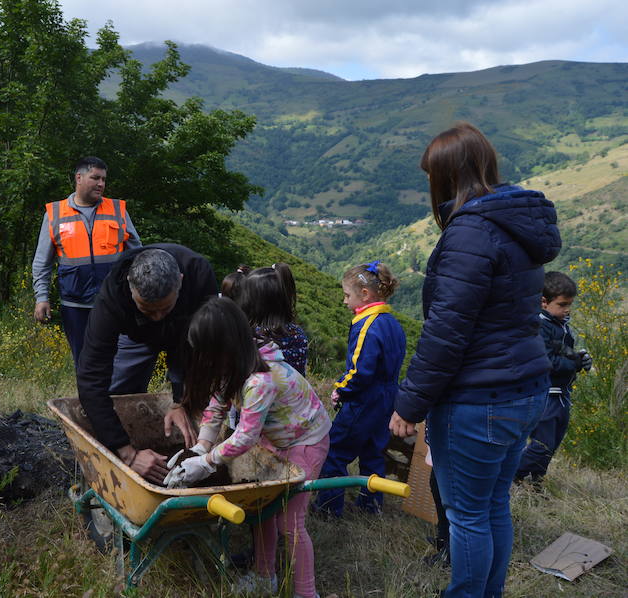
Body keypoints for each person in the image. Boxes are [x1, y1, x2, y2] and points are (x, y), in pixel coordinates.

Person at [389, 122, 560, 598]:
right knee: (492, 507)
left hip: (479, 397)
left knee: (466, 514)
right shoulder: (514, 224)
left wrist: (410, 404)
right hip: (525, 387)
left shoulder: (471, 232)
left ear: (447, 176)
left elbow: (447, 332)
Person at [170, 297, 331, 598]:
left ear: (223, 346)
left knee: (289, 521)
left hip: (305, 440)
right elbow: (216, 408)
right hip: (275, 439)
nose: (202, 359)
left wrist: (206, 462)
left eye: (206, 352)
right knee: (261, 510)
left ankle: (306, 593)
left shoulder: (260, 380)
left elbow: (244, 437)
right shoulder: (231, 365)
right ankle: (264, 577)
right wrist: (200, 446)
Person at [77, 244, 218, 484]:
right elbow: (91, 377)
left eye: (163, 308)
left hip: (187, 334)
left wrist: (181, 400)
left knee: (199, 404)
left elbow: (203, 348)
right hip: (136, 336)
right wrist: (127, 453)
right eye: (147, 309)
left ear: (181, 282)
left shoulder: (198, 275)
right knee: (119, 395)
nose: (156, 317)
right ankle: (115, 466)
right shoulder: (112, 297)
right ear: (131, 287)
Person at [313, 260, 406, 517]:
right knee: (373, 453)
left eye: (347, 295)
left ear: (364, 295)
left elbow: (359, 371)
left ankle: (328, 509)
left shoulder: (366, 324)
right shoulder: (392, 323)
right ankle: (370, 506)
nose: (344, 302)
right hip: (388, 398)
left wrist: (340, 389)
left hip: (364, 400)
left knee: (335, 452)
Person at [32, 156, 142, 366]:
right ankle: (88, 400)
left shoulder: (117, 210)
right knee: (84, 363)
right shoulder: (55, 213)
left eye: (103, 179)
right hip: (75, 305)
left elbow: (137, 255)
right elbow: (42, 262)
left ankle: (116, 399)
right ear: (79, 178)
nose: (101, 184)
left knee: (117, 362)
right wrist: (42, 297)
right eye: (95, 178)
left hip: (114, 302)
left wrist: (138, 294)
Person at [515, 271, 592, 486]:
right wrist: (574, 364)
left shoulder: (560, 323)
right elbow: (547, 362)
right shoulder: (540, 326)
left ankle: (537, 480)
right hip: (547, 394)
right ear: (544, 302)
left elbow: (563, 354)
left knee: (553, 442)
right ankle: (515, 476)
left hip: (561, 394)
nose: (567, 309)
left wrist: (580, 359)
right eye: (562, 304)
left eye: (570, 305)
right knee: (542, 444)